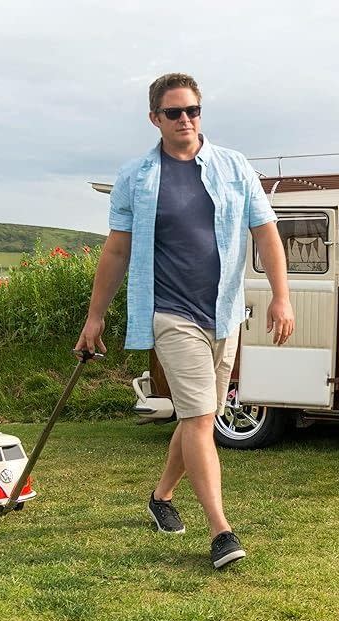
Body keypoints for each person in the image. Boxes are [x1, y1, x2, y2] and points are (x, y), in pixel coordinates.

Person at [75, 72, 294, 569]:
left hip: (224, 311)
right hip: (170, 313)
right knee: (198, 418)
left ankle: (161, 497)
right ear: (155, 118)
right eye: (174, 112)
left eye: (193, 110)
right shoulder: (137, 177)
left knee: (201, 414)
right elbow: (117, 249)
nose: (185, 120)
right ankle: (221, 531)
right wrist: (95, 317)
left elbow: (266, 234)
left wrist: (282, 297)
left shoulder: (234, 167)